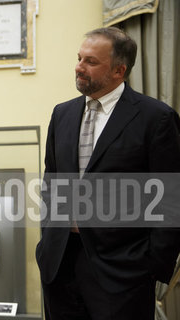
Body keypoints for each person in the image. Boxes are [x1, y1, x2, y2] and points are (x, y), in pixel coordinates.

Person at [36, 27, 180, 320]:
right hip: (60, 264)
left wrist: (151, 265)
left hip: (123, 271)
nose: (78, 67)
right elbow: (51, 183)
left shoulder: (156, 118)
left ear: (119, 70)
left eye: (90, 61)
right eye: (79, 58)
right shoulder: (61, 114)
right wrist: (45, 245)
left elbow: (171, 199)